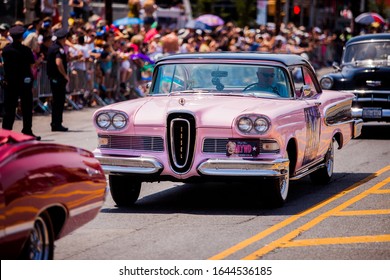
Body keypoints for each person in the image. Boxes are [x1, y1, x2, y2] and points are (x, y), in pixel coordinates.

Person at [1, 25, 41, 140]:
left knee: (9, 109)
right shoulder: (26, 50)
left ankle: (6, 133)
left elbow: (4, 65)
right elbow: (31, 65)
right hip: (24, 83)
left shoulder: (6, 50)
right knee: (27, 108)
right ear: (21, 37)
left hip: (10, 83)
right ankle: (27, 131)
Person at [46, 28, 69, 131]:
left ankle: (55, 123)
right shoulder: (58, 49)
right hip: (58, 79)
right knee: (59, 101)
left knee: (57, 101)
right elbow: (58, 62)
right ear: (63, 39)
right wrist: (65, 75)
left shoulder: (52, 47)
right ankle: (57, 124)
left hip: (54, 78)